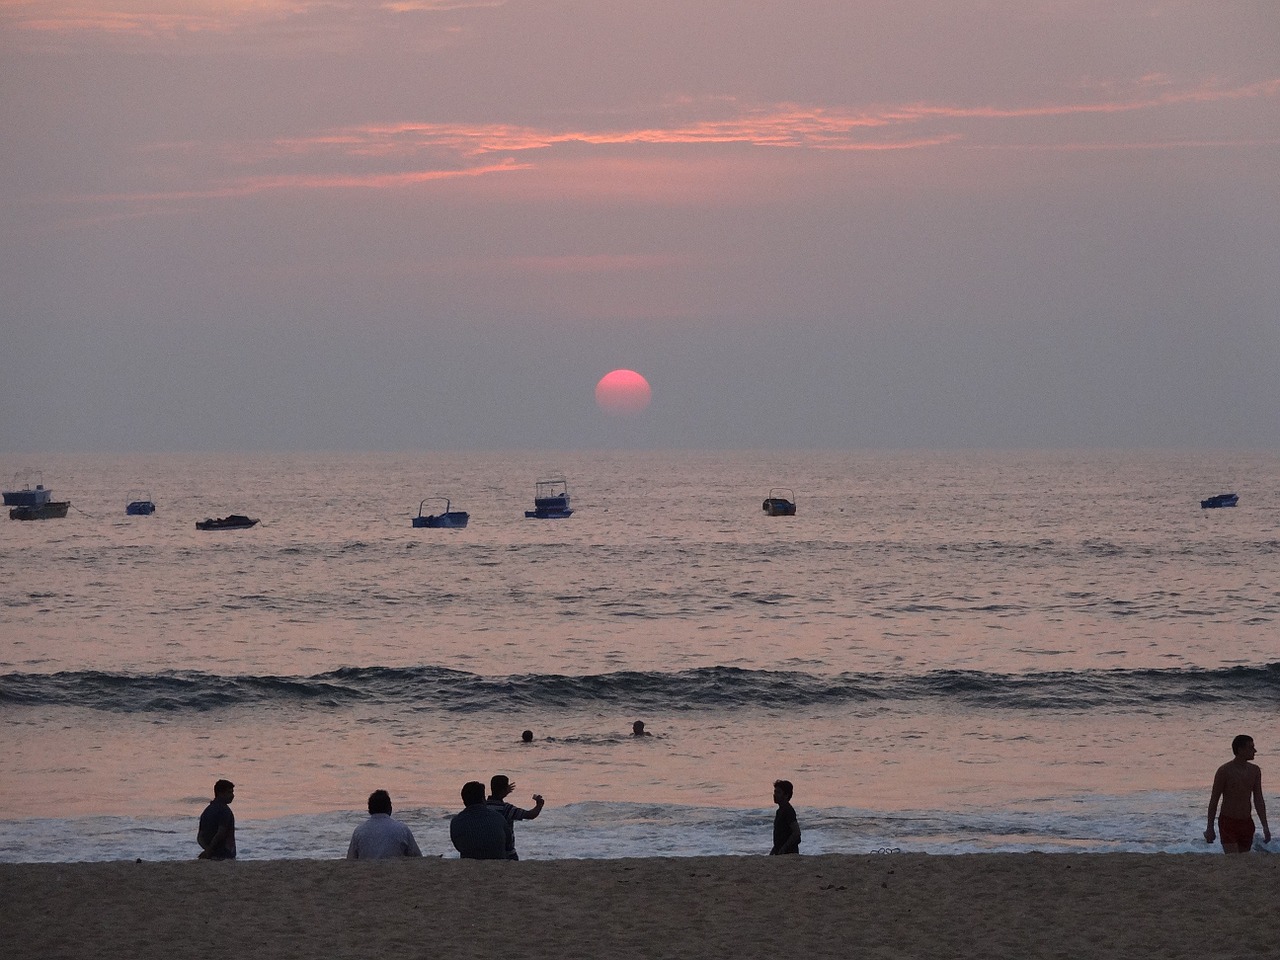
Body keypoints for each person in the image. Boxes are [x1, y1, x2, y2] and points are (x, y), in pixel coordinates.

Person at [1205, 735, 1270, 854]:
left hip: (1247, 822)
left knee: (1243, 859)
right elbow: (1214, 800)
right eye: (1251, 747)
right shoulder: (1224, 771)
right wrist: (1210, 827)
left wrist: (1265, 826)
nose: (1255, 751)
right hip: (1228, 822)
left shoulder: (1255, 771)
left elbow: (1258, 799)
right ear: (1240, 750)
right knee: (1233, 859)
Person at [346, 789, 423, 859]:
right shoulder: (402, 829)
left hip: (367, 873)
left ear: (369, 810)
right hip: (396, 871)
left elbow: (351, 859)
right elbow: (417, 857)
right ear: (390, 808)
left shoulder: (359, 831)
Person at [486, 774, 544, 860]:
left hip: (487, 850)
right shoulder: (507, 809)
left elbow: (498, 794)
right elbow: (531, 815)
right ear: (504, 790)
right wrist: (539, 804)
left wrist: (504, 791)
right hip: (506, 852)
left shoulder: (484, 806)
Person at [450, 780, 508, 860]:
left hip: (469, 863)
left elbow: (458, 846)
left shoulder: (456, 821)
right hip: (497, 861)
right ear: (483, 799)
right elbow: (508, 845)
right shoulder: (498, 817)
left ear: (464, 801)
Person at [197, 779, 237, 860]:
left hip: (211, 854)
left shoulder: (207, 811)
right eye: (229, 792)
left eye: (232, 792)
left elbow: (200, 837)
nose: (232, 795)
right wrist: (210, 849)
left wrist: (207, 850)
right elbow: (221, 832)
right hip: (225, 854)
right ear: (220, 793)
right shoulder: (225, 810)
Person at [770, 779, 801, 855]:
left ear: (786, 795)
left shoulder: (788, 810)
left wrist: (784, 848)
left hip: (789, 853)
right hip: (780, 851)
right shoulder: (780, 811)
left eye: (778, 792)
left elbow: (796, 832)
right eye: (775, 792)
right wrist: (774, 850)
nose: (775, 795)